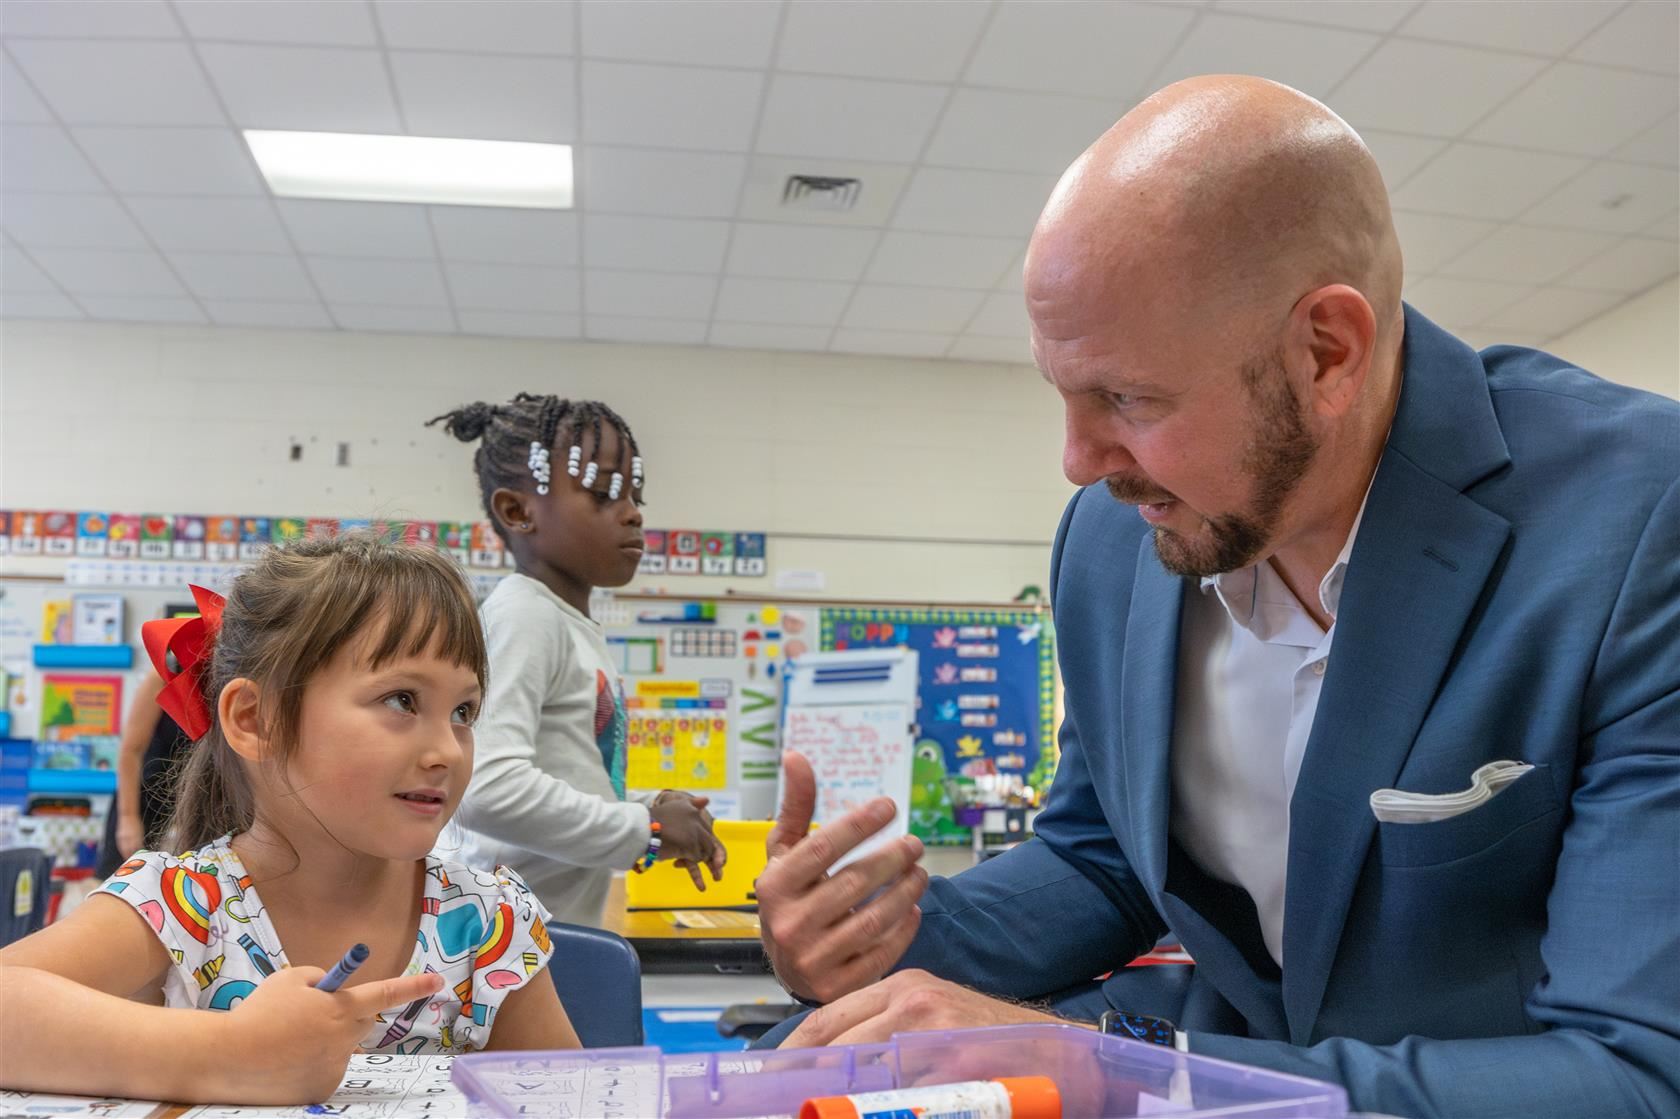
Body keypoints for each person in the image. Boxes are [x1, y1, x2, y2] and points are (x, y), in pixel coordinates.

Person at [753, 75, 1680, 1118]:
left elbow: (1636, 1076)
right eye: (1061, 393)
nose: (1076, 461)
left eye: (1128, 399)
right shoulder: (1112, 542)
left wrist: (1115, 1068)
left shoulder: (1640, 524)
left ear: (1327, 351)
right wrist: (884, 932)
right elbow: (1100, 857)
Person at [0, 535, 580, 1105]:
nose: (448, 752)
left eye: (463, 712)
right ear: (256, 720)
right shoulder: (185, 905)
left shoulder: (486, 922)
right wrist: (230, 1052)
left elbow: (576, 1100)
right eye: (402, 699)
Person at [431, 394, 725, 928]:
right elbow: (484, 787)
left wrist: (654, 806)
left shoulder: (568, 625)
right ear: (517, 512)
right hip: (500, 946)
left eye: (634, 493)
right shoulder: (526, 615)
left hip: (543, 935)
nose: (633, 512)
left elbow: (571, 783)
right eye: (603, 493)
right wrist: (646, 830)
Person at [96, 671, 190, 877]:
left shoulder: (223, 677)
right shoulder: (161, 677)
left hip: (189, 807)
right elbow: (131, 751)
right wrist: (128, 817)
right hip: (141, 802)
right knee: (120, 883)